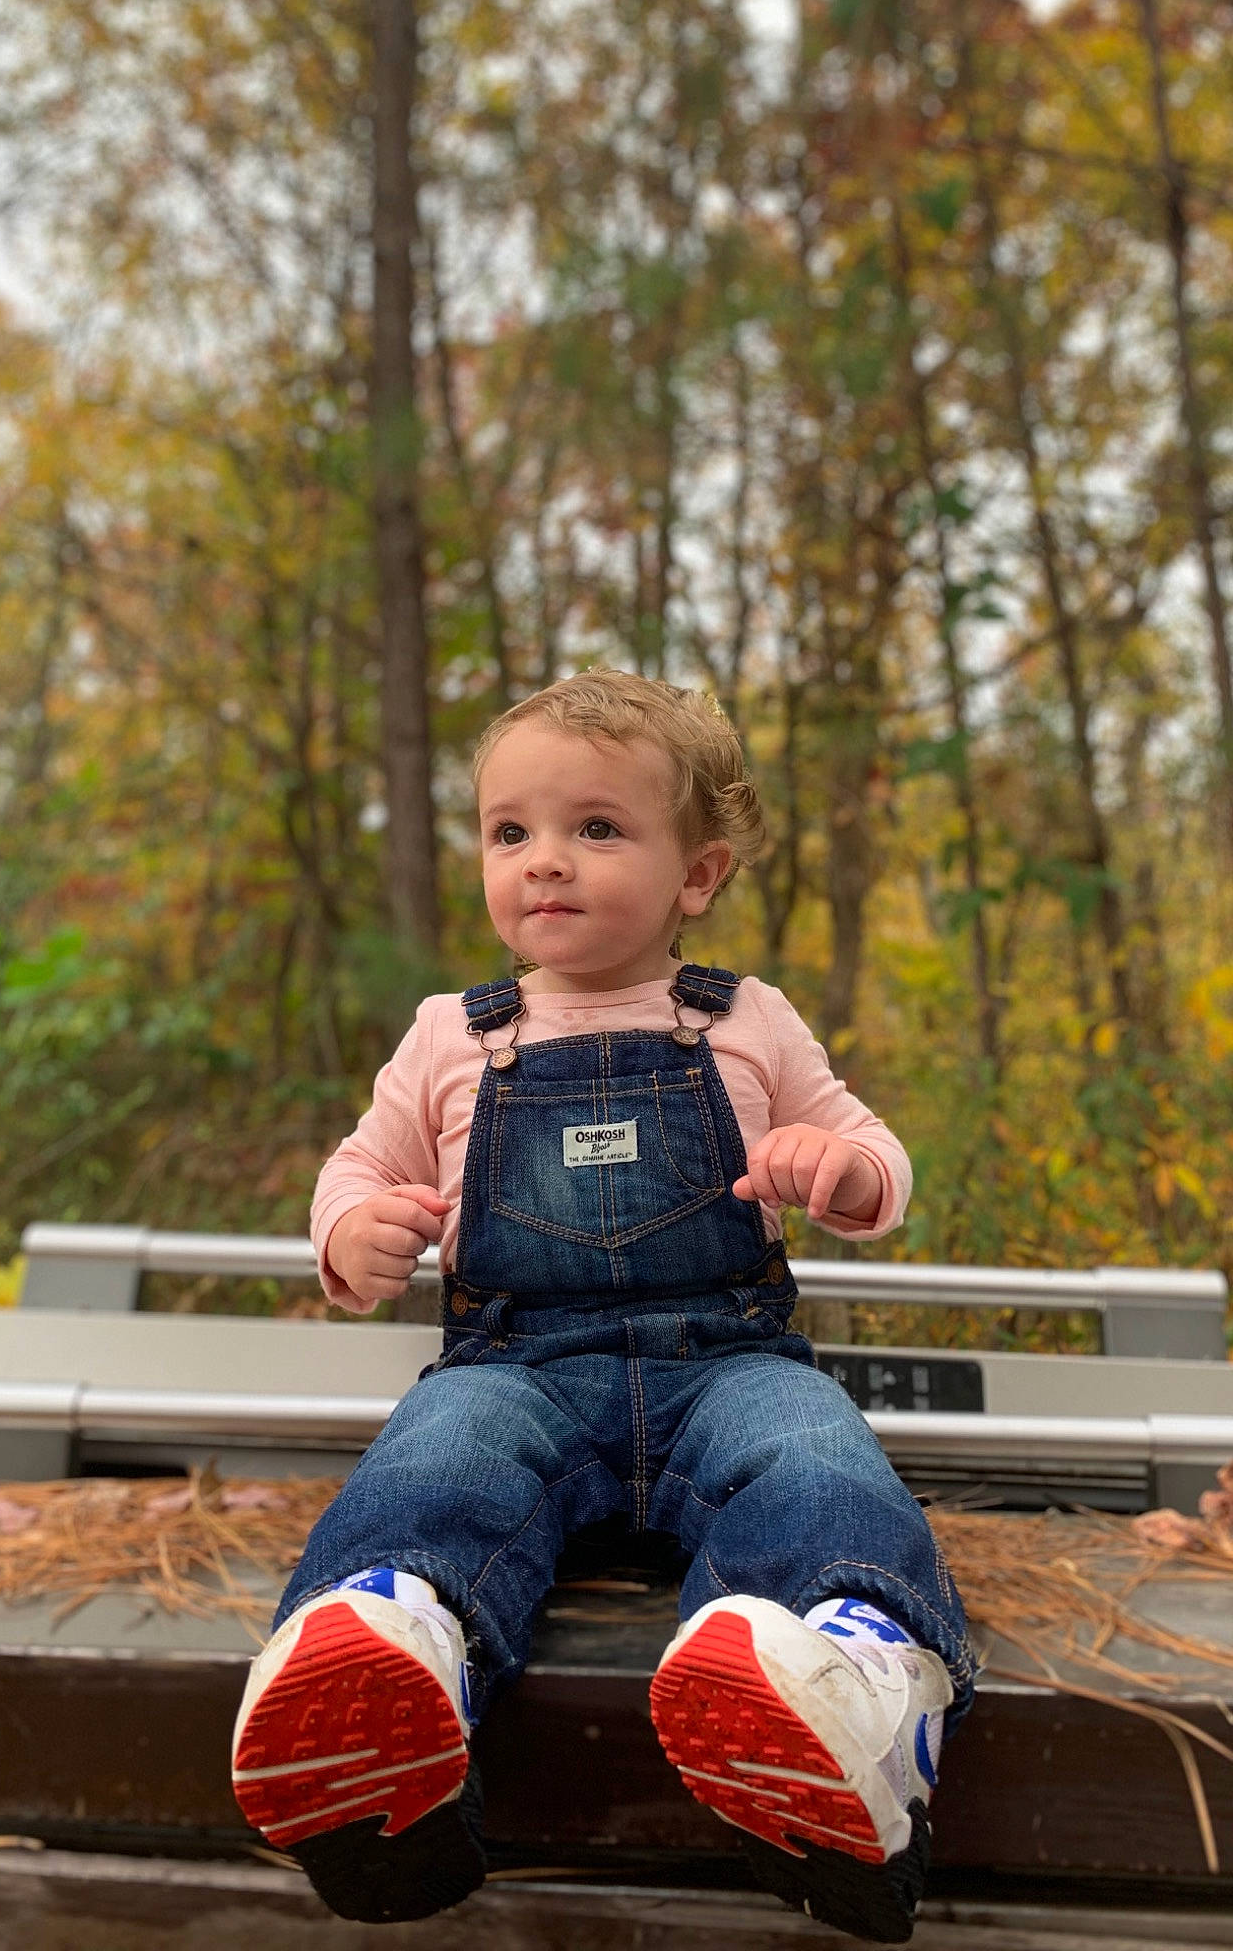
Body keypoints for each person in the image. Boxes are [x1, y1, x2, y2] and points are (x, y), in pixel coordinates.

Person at [231, 670, 973, 1941]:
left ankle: (854, 1679)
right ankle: (390, 1655)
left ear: (699, 872)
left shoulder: (746, 1021)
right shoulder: (452, 1037)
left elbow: (875, 1151)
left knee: (815, 1454)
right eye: (510, 831)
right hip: (517, 1363)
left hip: (727, 1356)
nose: (546, 863)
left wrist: (840, 1170)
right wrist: (354, 1232)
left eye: (598, 828)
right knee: (438, 1455)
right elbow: (357, 1167)